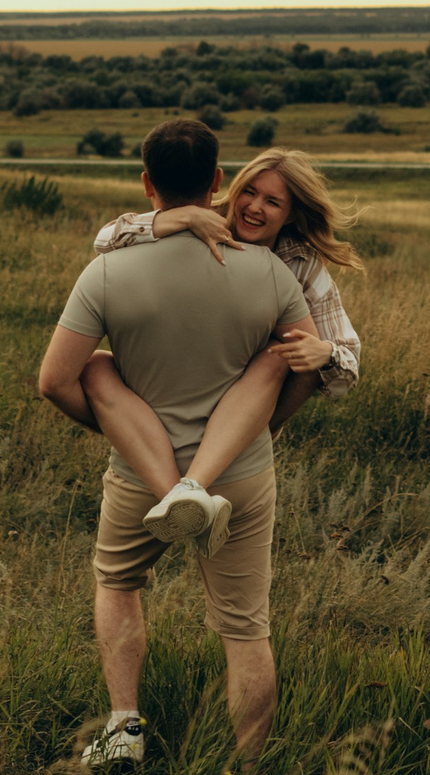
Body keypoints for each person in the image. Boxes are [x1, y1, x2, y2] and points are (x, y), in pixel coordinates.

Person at [35, 118, 317, 769]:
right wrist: (269, 428)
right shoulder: (272, 274)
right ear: (219, 182)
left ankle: (125, 727)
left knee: (118, 582)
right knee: (245, 628)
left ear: (146, 183)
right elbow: (304, 364)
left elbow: (53, 380)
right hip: (240, 473)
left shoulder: (107, 271)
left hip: (141, 473)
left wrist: (111, 420)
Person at [78, 148, 364, 548]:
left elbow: (347, 368)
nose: (254, 207)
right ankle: (186, 495)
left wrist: (327, 354)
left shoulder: (301, 263)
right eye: (248, 192)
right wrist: (181, 217)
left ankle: (200, 479)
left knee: (277, 359)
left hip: (249, 408)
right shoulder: (202, 220)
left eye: (272, 201)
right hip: (174, 388)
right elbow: (105, 240)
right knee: (98, 367)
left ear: (292, 214)